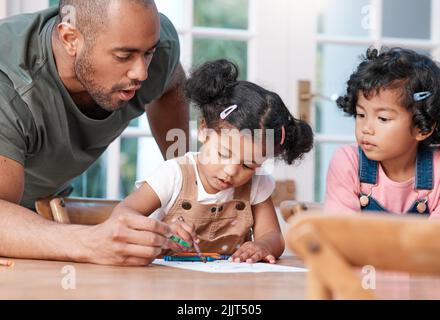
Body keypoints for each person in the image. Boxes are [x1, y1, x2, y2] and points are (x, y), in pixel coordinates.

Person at [0, 0, 189, 265]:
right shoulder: (9, 84)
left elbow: (173, 84)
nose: (142, 72)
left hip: (36, 223)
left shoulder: (151, 42)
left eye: (148, 54)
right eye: (124, 56)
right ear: (70, 39)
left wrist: (186, 182)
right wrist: (91, 242)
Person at [115, 59, 314, 263]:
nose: (230, 171)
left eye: (248, 165)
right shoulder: (174, 174)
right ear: (203, 130)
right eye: (224, 154)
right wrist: (161, 231)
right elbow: (123, 214)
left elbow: (274, 237)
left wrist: (261, 246)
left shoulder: (256, 184)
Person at [324, 47, 440, 216]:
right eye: (361, 114)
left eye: (383, 118)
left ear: (424, 127)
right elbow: (341, 233)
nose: (366, 128)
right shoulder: (348, 162)